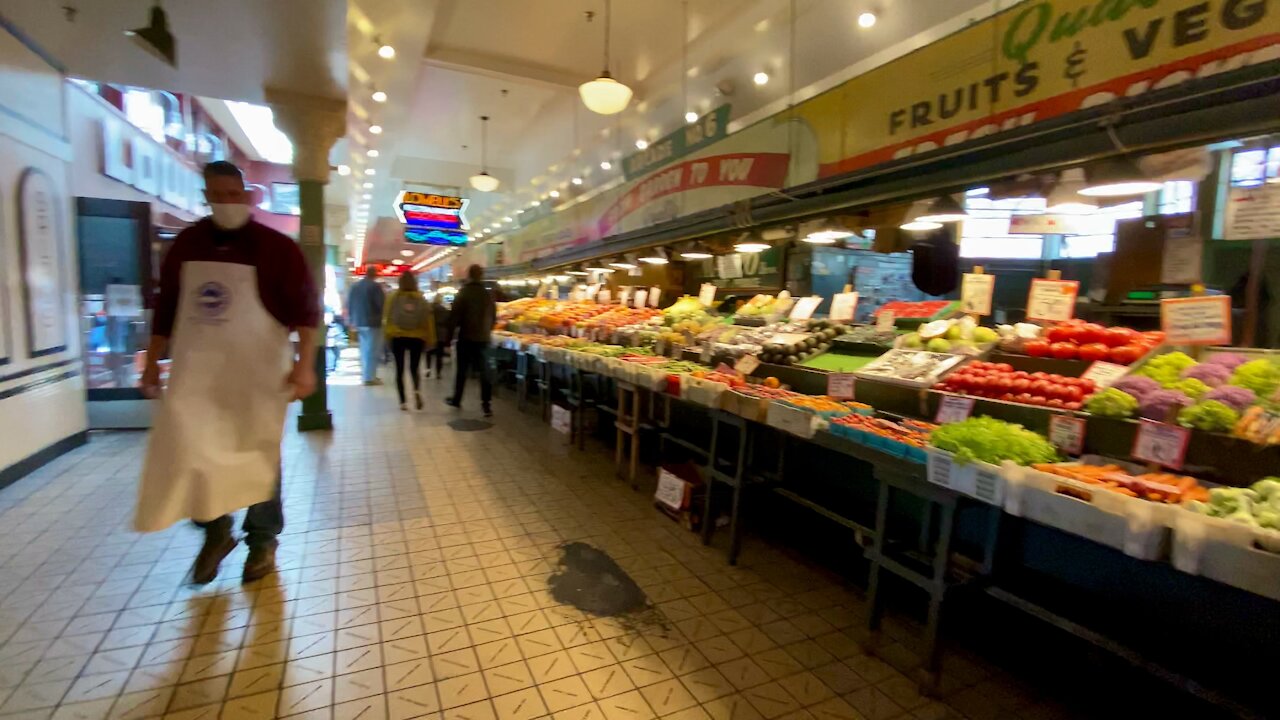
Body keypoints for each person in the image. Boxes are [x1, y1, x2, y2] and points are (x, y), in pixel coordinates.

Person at [137, 160, 318, 584]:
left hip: (257, 371)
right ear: (206, 197)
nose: (226, 203)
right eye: (217, 196)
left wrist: (304, 364)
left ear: (248, 196)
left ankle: (262, 542)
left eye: (233, 195)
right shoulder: (186, 245)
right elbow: (165, 311)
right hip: (197, 369)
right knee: (190, 449)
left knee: (258, 453)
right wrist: (151, 362)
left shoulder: (276, 248)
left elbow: (306, 313)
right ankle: (216, 530)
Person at [447, 264, 497, 417]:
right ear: (481, 276)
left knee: (462, 370)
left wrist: (448, 338)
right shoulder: (487, 295)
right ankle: (486, 405)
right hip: (483, 339)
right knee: (485, 372)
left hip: (466, 337)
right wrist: (487, 330)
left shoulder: (463, 293)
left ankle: (457, 399)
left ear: (469, 275)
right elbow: (494, 317)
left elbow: (454, 317)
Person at [383, 271, 436, 411]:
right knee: (414, 368)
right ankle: (416, 392)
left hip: (397, 336)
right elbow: (427, 321)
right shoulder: (421, 299)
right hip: (417, 338)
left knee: (399, 370)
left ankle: (403, 402)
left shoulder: (393, 297)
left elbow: (387, 318)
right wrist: (430, 339)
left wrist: (387, 337)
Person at [348, 266, 385, 385]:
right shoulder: (375, 287)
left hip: (358, 321)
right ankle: (369, 378)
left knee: (364, 350)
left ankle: (367, 375)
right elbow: (381, 304)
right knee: (372, 351)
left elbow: (349, 303)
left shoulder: (355, 286)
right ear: (375, 275)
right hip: (372, 322)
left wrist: (351, 319)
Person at [428, 294, 450, 379]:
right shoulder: (443, 309)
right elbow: (448, 321)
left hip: (430, 332)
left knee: (429, 352)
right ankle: (438, 373)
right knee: (439, 354)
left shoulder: (429, 309)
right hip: (441, 333)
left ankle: (428, 369)